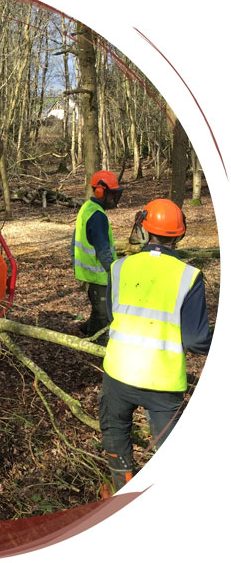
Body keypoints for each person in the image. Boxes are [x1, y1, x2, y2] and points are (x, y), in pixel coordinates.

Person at [99, 198, 212, 493]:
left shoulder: (119, 268)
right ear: (179, 234)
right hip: (164, 384)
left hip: (118, 375)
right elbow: (197, 340)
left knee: (115, 434)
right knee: (170, 451)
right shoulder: (190, 277)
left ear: (144, 231)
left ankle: (122, 490)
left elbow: (114, 316)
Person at [72, 170, 122, 337]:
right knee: (103, 313)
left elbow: (74, 241)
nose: (114, 197)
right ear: (101, 192)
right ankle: (97, 344)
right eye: (112, 194)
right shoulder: (97, 215)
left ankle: (85, 329)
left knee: (97, 307)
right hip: (99, 274)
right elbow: (102, 249)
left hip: (89, 272)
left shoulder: (87, 208)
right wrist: (113, 271)